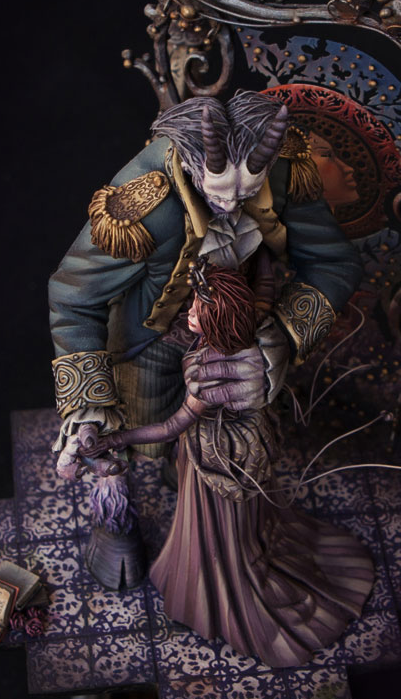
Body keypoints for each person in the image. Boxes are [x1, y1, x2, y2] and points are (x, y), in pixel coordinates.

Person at [48, 91, 363, 588]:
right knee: (115, 439)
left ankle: (188, 481)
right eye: (219, 196)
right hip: (148, 337)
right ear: (189, 164)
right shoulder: (142, 203)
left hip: (239, 334)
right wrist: (86, 406)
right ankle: (113, 522)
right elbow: (72, 296)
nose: (233, 207)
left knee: (207, 440)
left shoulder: (285, 169)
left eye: (247, 193)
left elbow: (333, 264)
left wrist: (279, 340)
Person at [79, 263, 374, 667]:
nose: (189, 313)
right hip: (246, 452)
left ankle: (217, 597)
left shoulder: (208, 372)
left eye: (197, 310)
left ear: (216, 318)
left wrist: (118, 439)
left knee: (217, 533)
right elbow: (265, 295)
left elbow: (170, 427)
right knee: (244, 525)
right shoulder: (250, 334)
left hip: (211, 460)